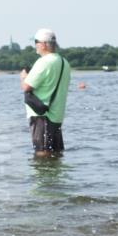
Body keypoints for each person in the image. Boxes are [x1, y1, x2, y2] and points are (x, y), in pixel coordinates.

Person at [19, 28, 71, 157]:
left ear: (43, 44)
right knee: (56, 154)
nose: (35, 46)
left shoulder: (44, 62)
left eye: (36, 42)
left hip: (42, 116)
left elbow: (26, 87)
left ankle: (42, 177)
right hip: (57, 115)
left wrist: (24, 77)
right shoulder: (64, 62)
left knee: (42, 153)